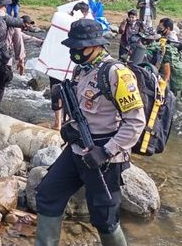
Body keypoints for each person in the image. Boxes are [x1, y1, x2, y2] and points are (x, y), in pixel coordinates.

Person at [35, 18, 146, 246]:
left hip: (104, 156)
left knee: (105, 218)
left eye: (79, 47)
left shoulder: (117, 74)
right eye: (73, 47)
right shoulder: (81, 69)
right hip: (77, 149)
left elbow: (136, 123)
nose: (74, 51)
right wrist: (68, 126)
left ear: (96, 45)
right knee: (47, 194)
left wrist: (106, 152)